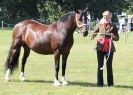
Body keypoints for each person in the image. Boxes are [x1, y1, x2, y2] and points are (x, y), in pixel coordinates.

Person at [91, 11, 119, 87]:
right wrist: (92, 35)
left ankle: (110, 84)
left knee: (109, 66)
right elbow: (94, 32)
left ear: (110, 16)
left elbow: (117, 38)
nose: (105, 17)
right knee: (100, 65)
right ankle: (99, 84)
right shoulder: (99, 24)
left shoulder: (113, 25)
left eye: (107, 16)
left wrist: (112, 36)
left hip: (110, 48)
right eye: (104, 16)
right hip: (99, 47)